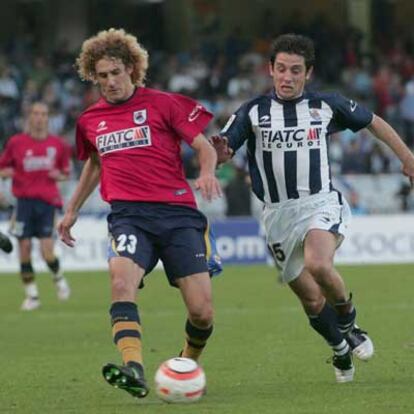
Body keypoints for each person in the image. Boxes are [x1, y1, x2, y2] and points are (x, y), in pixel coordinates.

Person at [211, 33, 414, 383]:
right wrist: (219, 153)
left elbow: (374, 122)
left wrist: (408, 158)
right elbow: (224, 147)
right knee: (310, 300)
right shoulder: (253, 112)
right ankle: (339, 350)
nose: (287, 77)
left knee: (318, 264)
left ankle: (349, 322)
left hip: (320, 203)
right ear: (270, 71)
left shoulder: (326, 105)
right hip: (277, 215)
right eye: (281, 69)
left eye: (295, 70)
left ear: (308, 73)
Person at [58, 28, 222, 399]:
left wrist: (207, 171)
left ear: (132, 69)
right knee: (120, 283)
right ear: (93, 77)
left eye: (116, 72)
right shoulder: (89, 120)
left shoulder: (163, 104)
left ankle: (186, 363)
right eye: (101, 76)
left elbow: (203, 146)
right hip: (129, 215)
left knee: (202, 313)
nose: (110, 82)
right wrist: (71, 210)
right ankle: (134, 367)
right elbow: (94, 165)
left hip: (178, 214)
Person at [0, 102, 71, 310]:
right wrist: (9, 173)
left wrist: (60, 175)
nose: (40, 117)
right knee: (24, 249)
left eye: (44, 114)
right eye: (36, 114)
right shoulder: (16, 143)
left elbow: (66, 172)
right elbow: (2, 168)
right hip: (23, 203)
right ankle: (32, 296)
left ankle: (58, 277)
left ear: (48, 118)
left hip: (47, 203)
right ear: (30, 117)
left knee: (46, 252)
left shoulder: (58, 144)